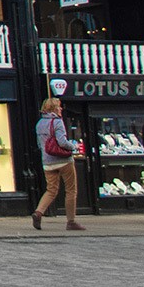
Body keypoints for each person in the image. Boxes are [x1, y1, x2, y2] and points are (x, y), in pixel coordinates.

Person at [32, 97, 84, 231]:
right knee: (71, 190)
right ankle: (71, 221)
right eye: (59, 107)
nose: (61, 109)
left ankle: (38, 212)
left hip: (47, 162)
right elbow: (62, 142)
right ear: (54, 109)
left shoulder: (39, 124)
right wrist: (73, 146)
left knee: (51, 190)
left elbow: (40, 144)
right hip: (63, 161)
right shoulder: (57, 122)